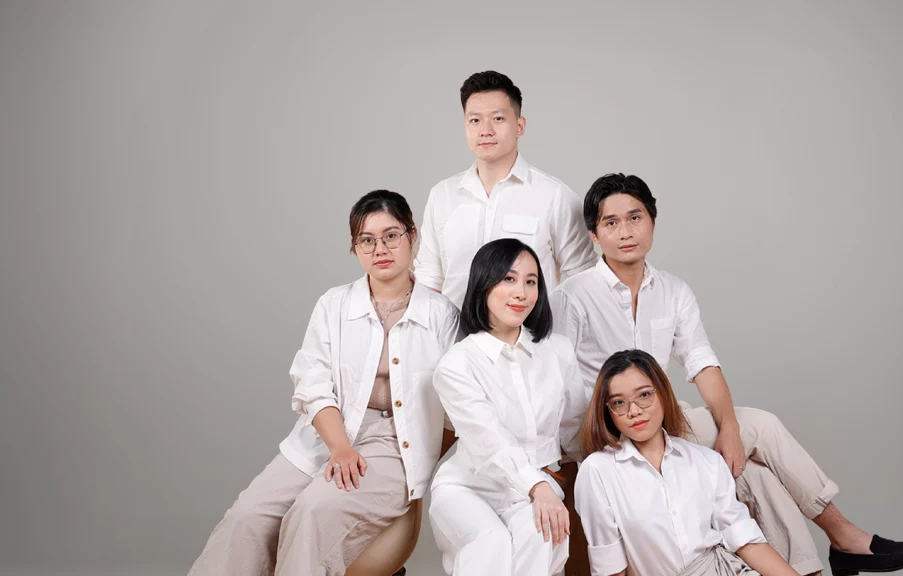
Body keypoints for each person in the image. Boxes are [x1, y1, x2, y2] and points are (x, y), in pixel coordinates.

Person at [552, 173, 903, 576]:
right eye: (611, 222)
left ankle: (810, 569)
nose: (626, 232)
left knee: (757, 474)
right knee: (763, 430)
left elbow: (702, 362)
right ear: (594, 234)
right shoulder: (573, 296)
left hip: (663, 418)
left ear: (653, 221)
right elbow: (555, 385)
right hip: (607, 427)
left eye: (635, 217)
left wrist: (729, 427)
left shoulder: (674, 291)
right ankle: (843, 537)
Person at [189, 190, 460, 575]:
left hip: (394, 446)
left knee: (313, 512)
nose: (380, 249)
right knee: (247, 517)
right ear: (355, 248)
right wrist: (340, 447)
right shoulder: (333, 305)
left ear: (411, 235)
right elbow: (312, 381)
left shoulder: (443, 316)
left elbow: (456, 404)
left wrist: (421, 455)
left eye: (391, 236)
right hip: (327, 433)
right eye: (367, 240)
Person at [428, 238, 590, 576]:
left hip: (535, 487)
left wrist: (610, 467)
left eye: (531, 282)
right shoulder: (456, 365)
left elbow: (576, 429)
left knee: (543, 534)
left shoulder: (558, 351)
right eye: (508, 279)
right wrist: (537, 486)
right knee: (492, 543)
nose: (521, 293)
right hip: (468, 488)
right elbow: (489, 440)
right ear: (483, 285)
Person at [577, 349, 800, 576]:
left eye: (644, 395)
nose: (634, 411)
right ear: (608, 410)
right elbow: (610, 568)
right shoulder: (597, 471)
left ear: (663, 393)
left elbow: (746, 541)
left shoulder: (706, 461)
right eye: (619, 402)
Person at [413, 70, 597, 309]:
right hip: (455, 332)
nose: (485, 130)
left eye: (498, 118)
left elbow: (582, 281)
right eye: (475, 120)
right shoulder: (442, 196)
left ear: (520, 125)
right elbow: (429, 281)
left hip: (530, 332)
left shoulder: (555, 196)